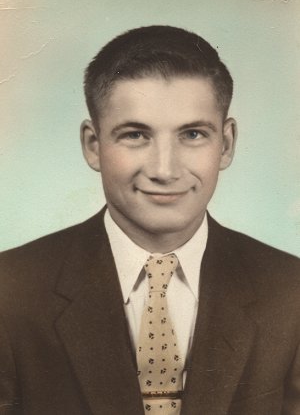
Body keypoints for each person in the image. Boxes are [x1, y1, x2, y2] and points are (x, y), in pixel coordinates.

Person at [0, 25, 299, 415]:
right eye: (136, 135)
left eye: (192, 134)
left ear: (225, 145)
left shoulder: (291, 292)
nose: (164, 169)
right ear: (94, 146)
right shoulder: (11, 292)